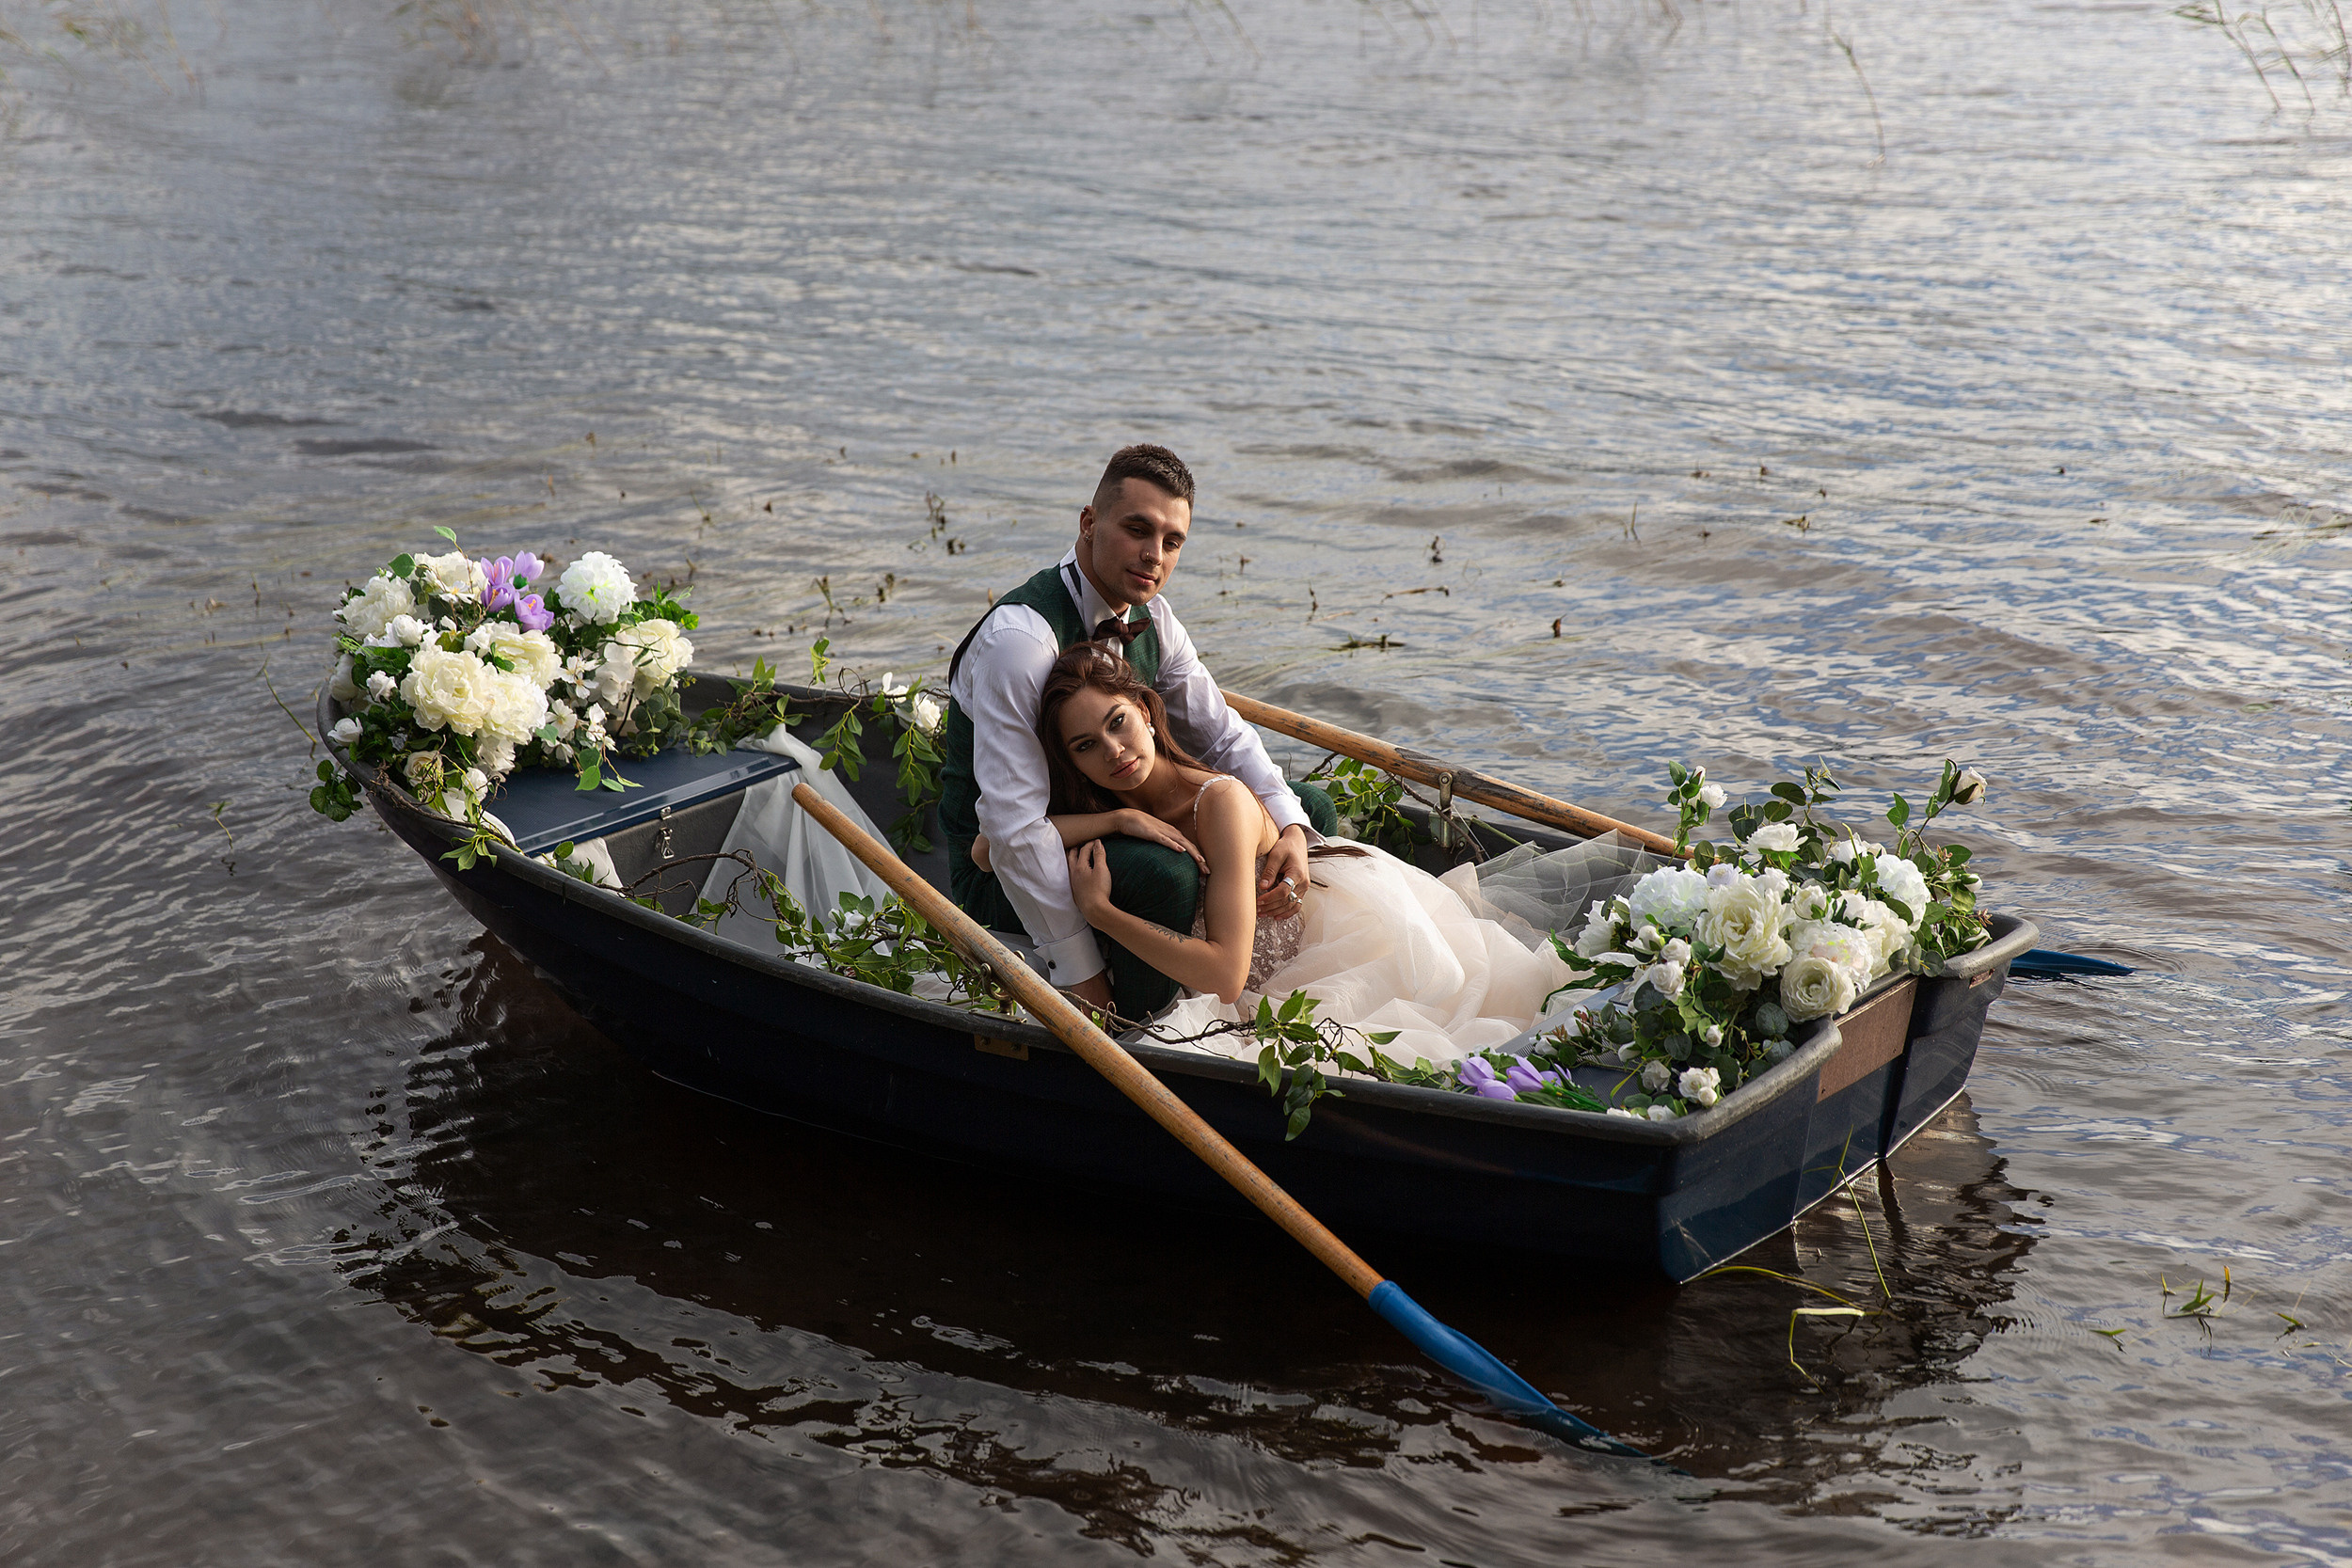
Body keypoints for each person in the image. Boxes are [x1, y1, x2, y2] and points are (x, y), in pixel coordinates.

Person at [981, 644, 1582, 1065]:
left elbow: (1225, 974)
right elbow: (989, 848)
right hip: (1230, 979)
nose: (1113, 751)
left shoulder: (1217, 802)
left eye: (1119, 722)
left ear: (1145, 709)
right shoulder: (1111, 798)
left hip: (1314, 963)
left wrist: (1104, 913)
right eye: (1086, 745)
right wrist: (1117, 818)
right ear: (1071, 760)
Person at [939, 445, 1336, 1021]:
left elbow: (1223, 739)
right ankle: (1140, 1019)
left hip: (1093, 812)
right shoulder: (1019, 642)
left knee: (1306, 809)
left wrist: (1293, 829)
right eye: (1137, 530)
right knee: (1165, 875)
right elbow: (1013, 832)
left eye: (1172, 541)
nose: (1154, 555)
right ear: (1089, 522)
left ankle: (1250, 960)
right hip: (997, 870)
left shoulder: (1156, 621)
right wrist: (1083, 978)